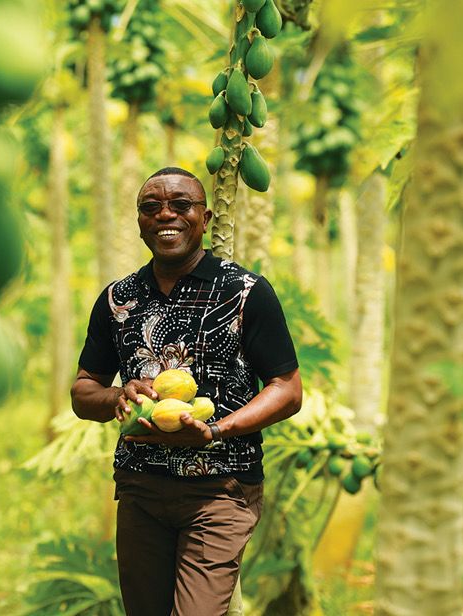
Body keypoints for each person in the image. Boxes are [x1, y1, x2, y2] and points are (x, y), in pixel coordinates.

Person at [70, 167, 303, 616]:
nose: (165, 215)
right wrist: (117, 396)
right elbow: (83, 391)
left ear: (205, 217)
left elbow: (287, 390)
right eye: (151, 207)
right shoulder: (118, 299)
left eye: (181, 205)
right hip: (140, 489)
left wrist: (215, 431)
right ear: (140, 220)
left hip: (220, 490)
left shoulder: (244, 292)